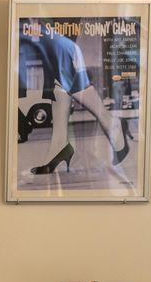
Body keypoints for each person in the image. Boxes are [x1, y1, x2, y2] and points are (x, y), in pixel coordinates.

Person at [19, 25, 131, 176]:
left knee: (58, 55)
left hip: (53, 7)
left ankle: (109, 122)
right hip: (44, 8)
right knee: (55, 64)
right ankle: (59, 144)